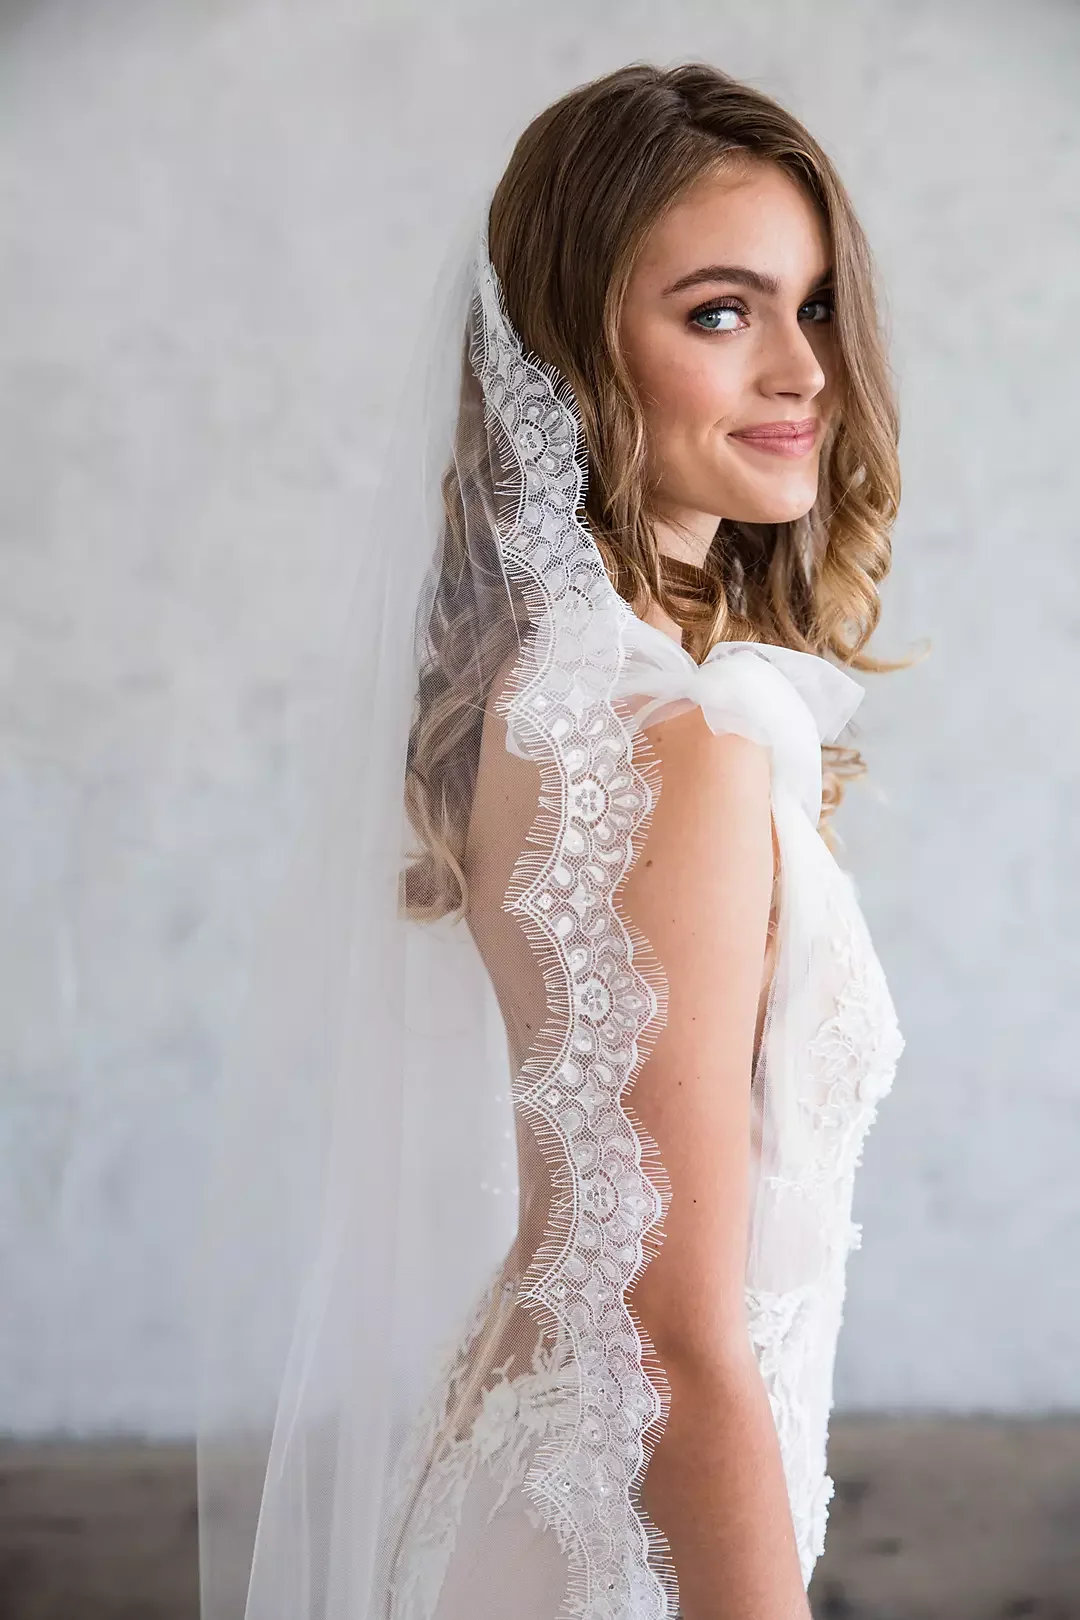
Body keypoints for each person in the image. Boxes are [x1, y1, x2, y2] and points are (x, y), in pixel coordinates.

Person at [195, 61, 909, 1620]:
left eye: (818, 305)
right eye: (720, 312)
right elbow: (663, 1327)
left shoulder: (555, 694)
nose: (802, 369)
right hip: (616, 1546)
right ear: (574, 352)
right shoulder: (676, 743)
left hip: (538, 1484)